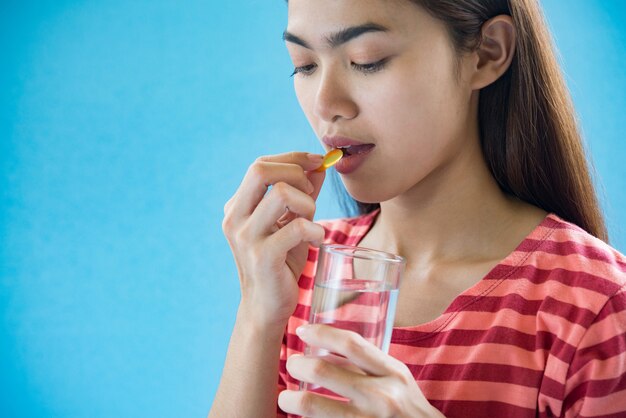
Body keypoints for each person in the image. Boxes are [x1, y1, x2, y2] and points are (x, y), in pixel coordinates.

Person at [209, 0, 626, 416]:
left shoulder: (597, 307)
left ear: (486, 54)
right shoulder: (296, 268)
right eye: (304, 65)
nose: (325, 104)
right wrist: (257, 314)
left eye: (366, 60)